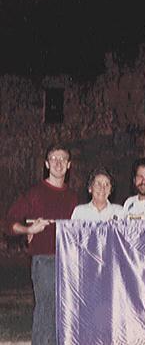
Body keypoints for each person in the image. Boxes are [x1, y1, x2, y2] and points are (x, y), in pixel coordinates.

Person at [4, 144, 78, 344]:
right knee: (46, 310)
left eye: (63, 159)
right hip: (45, 261)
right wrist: (29, 230)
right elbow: (8, 223)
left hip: (69, 262)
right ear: (46, 164)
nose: (58, 163)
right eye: (54, 159)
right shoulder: (35, 192)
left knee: (63, 311)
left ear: (69, 165)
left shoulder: (73, 198)